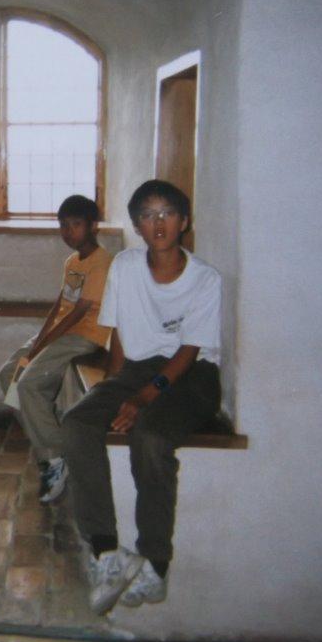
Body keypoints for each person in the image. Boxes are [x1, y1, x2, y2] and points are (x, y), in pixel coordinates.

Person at [61, 180, 222, 615]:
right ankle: (106, 552)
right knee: (76, 423)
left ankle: (156, 563)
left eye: (167, 213)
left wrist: (142, 398)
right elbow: (118, 333)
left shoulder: (205, 279)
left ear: (184, 221)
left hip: (192, 376)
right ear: (136, 226)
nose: (158, 223)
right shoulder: (126, 266)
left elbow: (189, 351)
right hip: (137, 368)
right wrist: (111, 389)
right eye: (147, 216)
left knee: (150, 437)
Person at [0, 195, 112, 503]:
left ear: (94, 226)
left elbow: (79, 313)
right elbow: (61, 306)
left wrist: (45, 343)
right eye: (63, 225)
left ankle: (56, 456)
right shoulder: (72, 262)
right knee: (8, 374)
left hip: (84, 336)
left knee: (29, 385)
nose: (68, 232)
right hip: (59, 334)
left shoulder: (102, 262)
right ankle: (55, 442)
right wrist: (40, 338)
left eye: (76, 224)